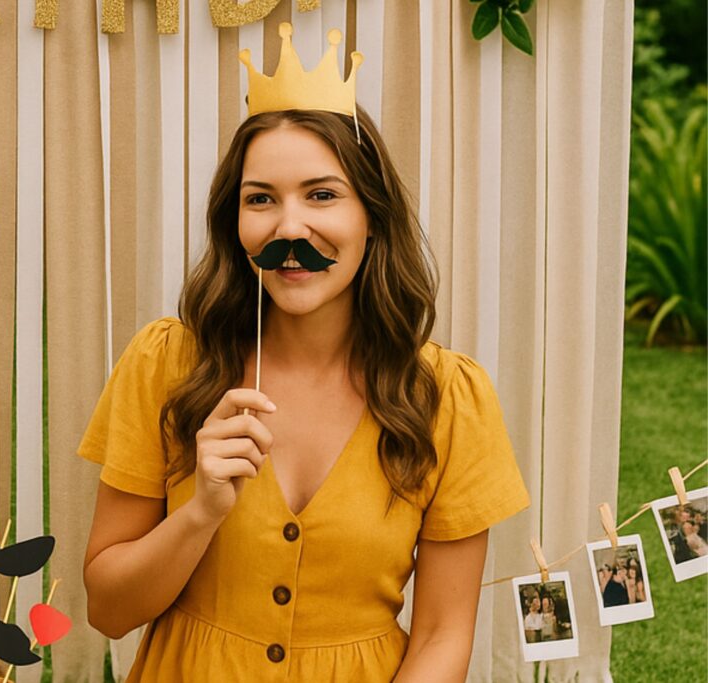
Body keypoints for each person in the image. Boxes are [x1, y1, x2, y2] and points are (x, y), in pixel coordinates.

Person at [79, 22, 530, 682]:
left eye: (322, 194)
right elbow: (108, 610)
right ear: (235, 224)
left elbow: (442, 634)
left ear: (371, 217)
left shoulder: (447, 399)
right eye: (261, 199)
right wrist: (200, 511)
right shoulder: (166, 363)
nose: (289, 228)